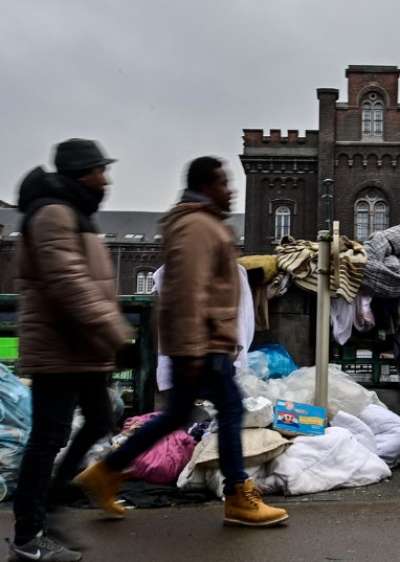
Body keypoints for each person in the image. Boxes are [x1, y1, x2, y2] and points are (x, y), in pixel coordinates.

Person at [76, 156, 288, 528]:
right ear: (207, 186)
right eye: (224, 182)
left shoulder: (199, 225)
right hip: (202, 345)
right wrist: (195, 349)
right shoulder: (197, 228)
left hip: (202, 343)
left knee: (178, 415)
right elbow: (186, 292)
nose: (231, 189)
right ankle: (238, 495)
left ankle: (105, 472)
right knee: (230, 411)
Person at [10, 139, 133, 562]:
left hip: (80, 348)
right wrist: (114, 330)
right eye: (101, 170)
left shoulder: (74, 213)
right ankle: (29, 535)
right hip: (59, 348)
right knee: (47, 439)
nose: (106, 178)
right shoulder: (53, 215)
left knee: (101, 419)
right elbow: (70, 284)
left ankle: (54, 506)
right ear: (83, 173)